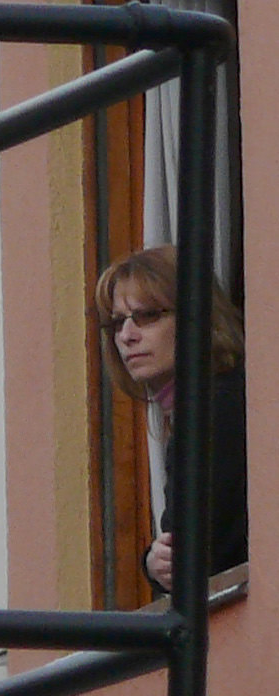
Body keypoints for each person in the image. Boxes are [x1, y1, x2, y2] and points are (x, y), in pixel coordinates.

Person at [97, 245, 249, 595]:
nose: (127, 336)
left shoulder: (217, 405)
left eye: (148, 315)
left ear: (196, 318)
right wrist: (154, 562)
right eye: (118, 322)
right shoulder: (199, 403)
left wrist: (160, 562)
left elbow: (204, 550)